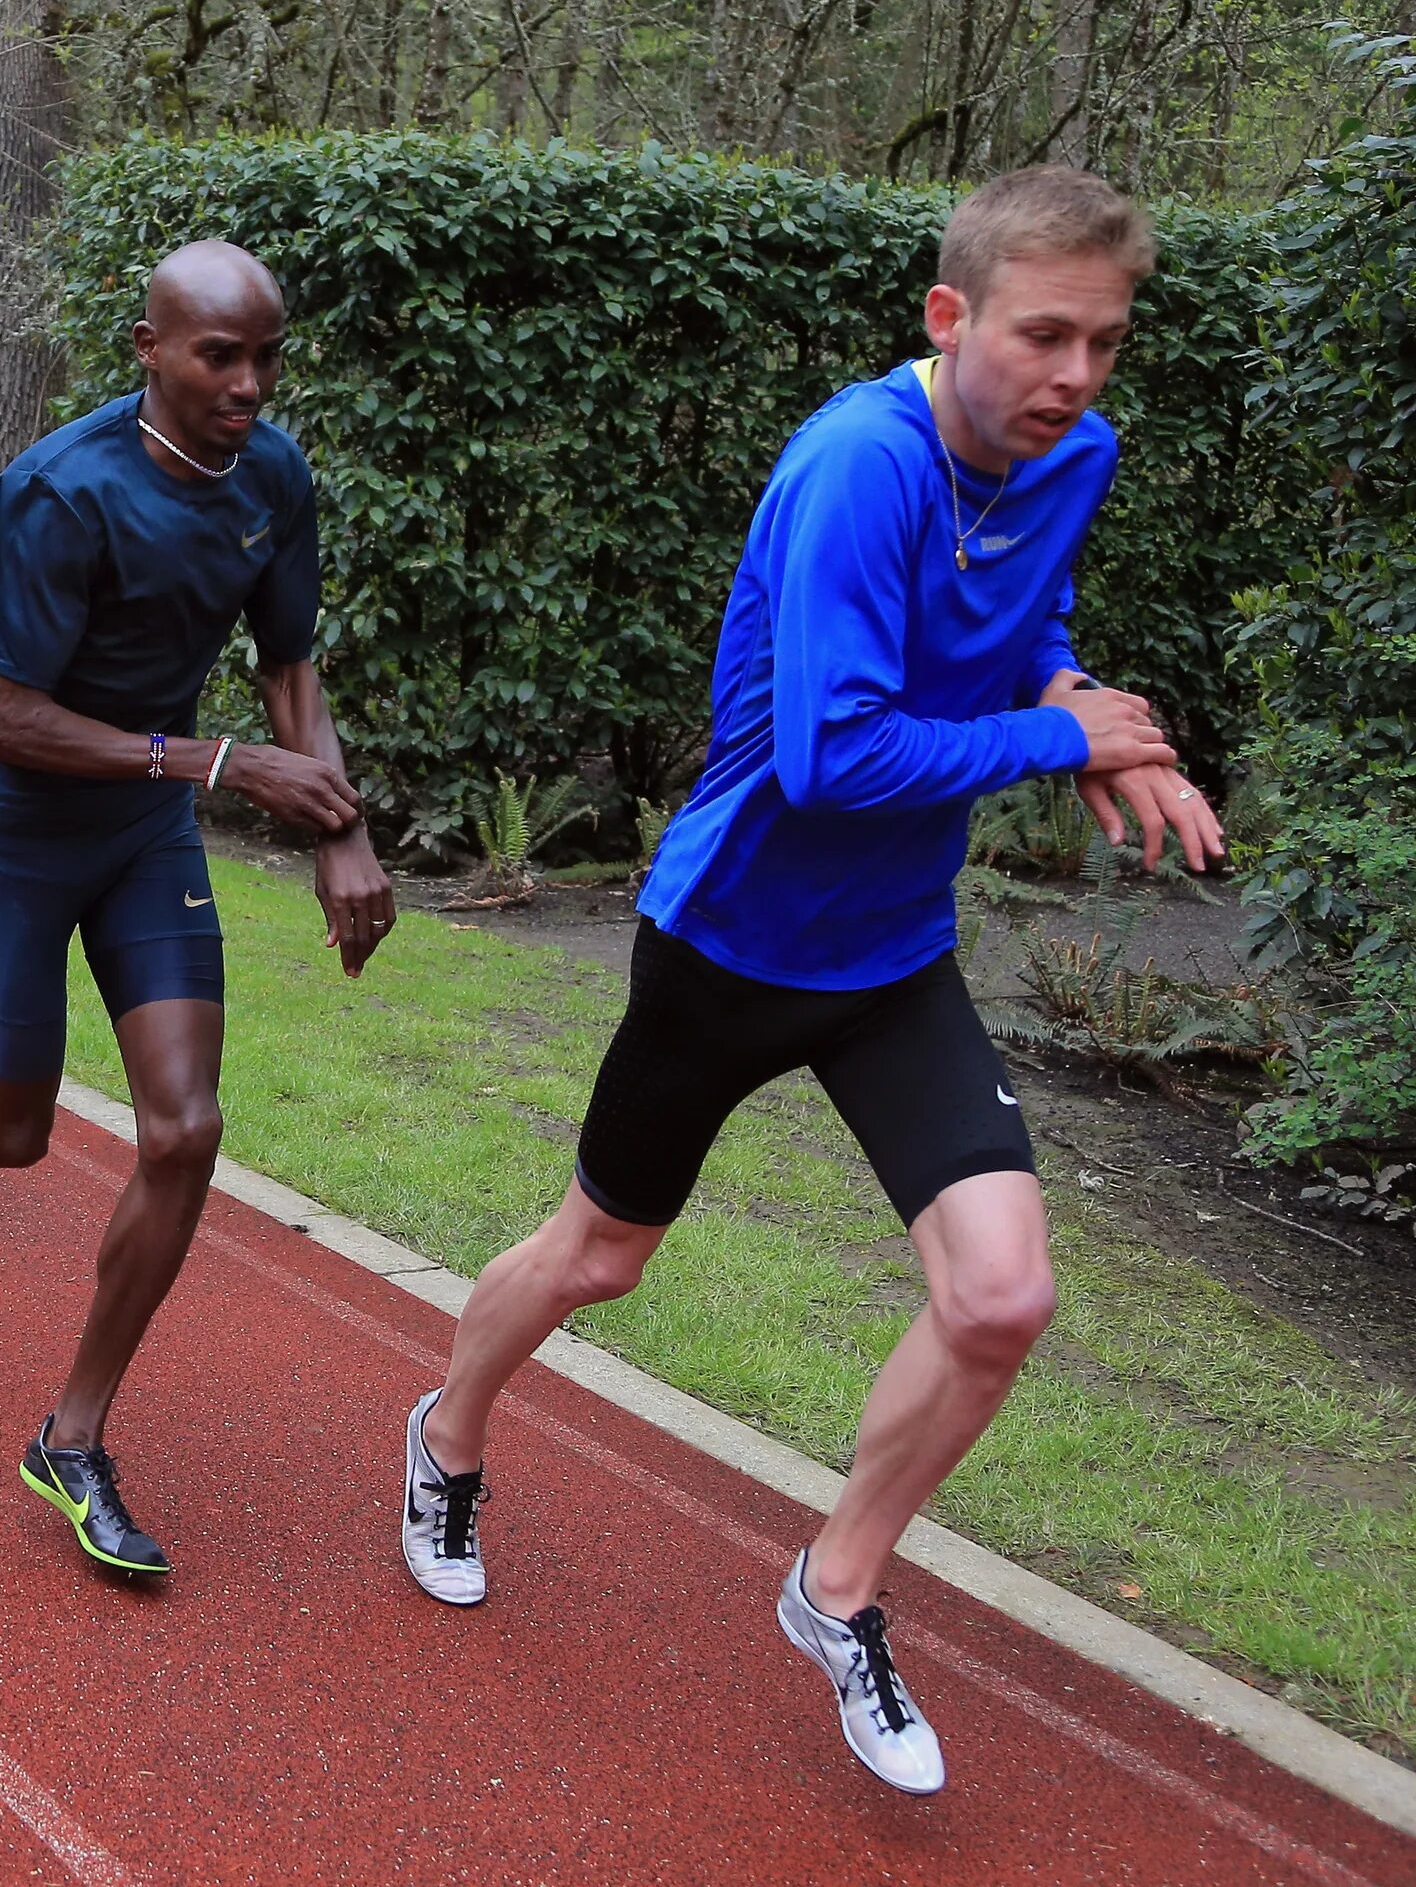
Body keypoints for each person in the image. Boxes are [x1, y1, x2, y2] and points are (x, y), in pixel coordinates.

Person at [395, 167, 1224, 1795]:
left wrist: (1075, 694)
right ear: (950, 316)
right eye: (1043, 335)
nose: (1074, 376)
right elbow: (831, 756)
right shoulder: (859, 463)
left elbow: (1029, 614)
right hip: (732, 943)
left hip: (895, 957)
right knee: (596, 1258)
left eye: (1105, 344)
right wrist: (1066, 738)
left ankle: (835, 1587)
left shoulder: (1078, 454)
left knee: (1001, 1293)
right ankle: (444, 1439)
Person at [0, 241, 397, 1577]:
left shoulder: (276, 475)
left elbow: (290, 666)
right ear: (148, 348)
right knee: (14, 1131)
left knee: (186, 1125)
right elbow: (4, 717)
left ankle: (71, 1437)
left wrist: (343, 833)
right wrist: (209, 764)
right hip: (22, 834)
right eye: (218, 357)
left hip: (145, 836)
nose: (249, 385)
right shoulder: (59, 494)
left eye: (267, 358)